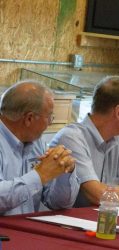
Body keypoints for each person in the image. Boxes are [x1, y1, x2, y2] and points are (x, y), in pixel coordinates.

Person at [50, 76, 119, 212]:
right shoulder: (72, 138)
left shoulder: (118, 140)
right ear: (118, 111)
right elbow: (98, 196)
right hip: (66, 224)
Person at [0, 80, 79, 216]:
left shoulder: (37, 142)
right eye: (49, 117)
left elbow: (57, 204)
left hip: (28, 231)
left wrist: (64, 172)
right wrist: (40, 175)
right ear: (29, 118)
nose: (50, 123)